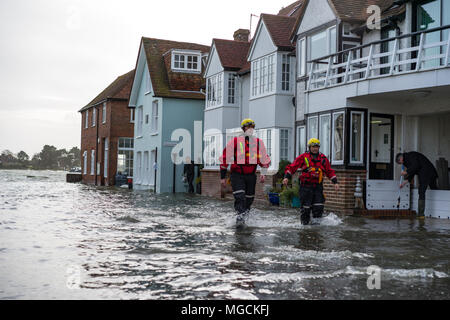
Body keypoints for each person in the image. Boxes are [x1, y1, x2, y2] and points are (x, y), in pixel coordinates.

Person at [220, 119, 271, 225]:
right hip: (237, 175)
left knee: (249, 200)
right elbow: (225, 158)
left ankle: (246, 218)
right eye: (248, 127)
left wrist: (263, 173)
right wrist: (222, 177)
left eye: (252, 127)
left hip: (251, 176)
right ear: (243, 129)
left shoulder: (258, 143)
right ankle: (239, 219)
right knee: (240, 197)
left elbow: (264, 159)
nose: (250, 129)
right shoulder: (235, 141)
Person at [283, 138, 339, 225]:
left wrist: (335, 182)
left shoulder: (323, 158)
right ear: (309, 147)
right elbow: (292, 167)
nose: (315, 148)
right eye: (313, 146)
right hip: (306, 187)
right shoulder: (303, 157)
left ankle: (315, 229)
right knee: (306, 209)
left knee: (318, 207)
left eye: (316, 146)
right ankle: (304, 228)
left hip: (318, 187)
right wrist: (286, 177)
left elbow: (329, 171)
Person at [396, 152, 438, 218]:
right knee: (428, 189)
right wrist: (404, 183)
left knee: (422, 191)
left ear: (401, 159)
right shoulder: (407, 160)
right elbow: (413, 171)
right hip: (427, 172)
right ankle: (422, 213)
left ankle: (421, 215)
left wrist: (406, 172)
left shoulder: (411, 156)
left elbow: (415, 166)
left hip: (426, 172)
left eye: (400, 163)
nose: (402, 164)